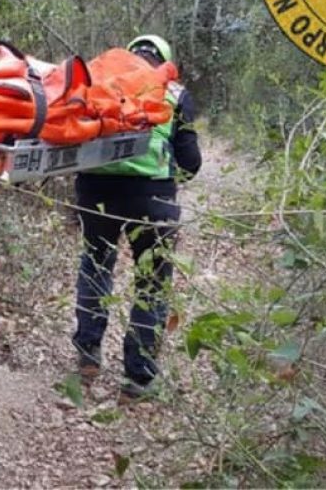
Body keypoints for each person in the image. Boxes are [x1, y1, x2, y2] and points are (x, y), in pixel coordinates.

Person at [71, 34, 201, 401]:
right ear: (163, 61)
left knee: (95, 265)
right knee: (152, 282)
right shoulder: (174, 93)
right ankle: (137, 379)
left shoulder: (103, 85)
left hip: (95, 191)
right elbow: (190, 163)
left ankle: (87, 355)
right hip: (153, 196)